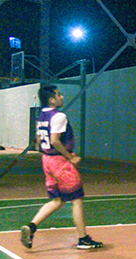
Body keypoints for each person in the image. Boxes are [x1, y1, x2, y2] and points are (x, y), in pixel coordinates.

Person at [20, 84, 103, 250]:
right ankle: (83, 239)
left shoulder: (42, 115)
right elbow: (55, 141)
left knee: (58, 200)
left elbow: (38, 139)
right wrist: (70, 157)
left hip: (47, 160)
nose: (62, 97)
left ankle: (31, 226)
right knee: (76, 199)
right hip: (60, 162)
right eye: (58, 95)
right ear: (52, 99)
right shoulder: (59, 116)